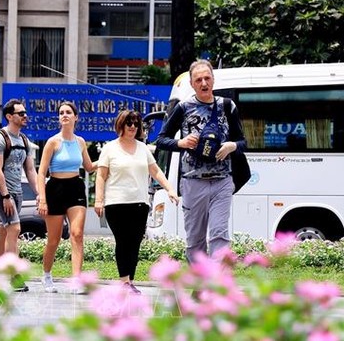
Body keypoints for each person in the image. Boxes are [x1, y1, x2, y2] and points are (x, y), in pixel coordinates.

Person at [156, 59, 247, 263]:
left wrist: (231, 146)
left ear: (213, 80)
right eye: (199, 80)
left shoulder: (227, 106)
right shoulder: (183, 107)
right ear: (192, 83)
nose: (204, 83)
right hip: (192, 181)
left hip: (222, 180)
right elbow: (161, 140)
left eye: (207, 78)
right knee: (195, 241)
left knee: (219, 234)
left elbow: (242, 142)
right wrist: (182, 143)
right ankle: (200, 284)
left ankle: (216, 286)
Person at [95, 110, 179, 294]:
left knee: (134, 242)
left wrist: (170, 189)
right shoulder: (110, 148)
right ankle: (124, 281)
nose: (132, 126)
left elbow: (155, 171)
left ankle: (130, 281)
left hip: (140, 203)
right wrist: (99, 200)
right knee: (123, 241)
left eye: (135, 123)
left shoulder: (143, 148)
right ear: (121, 125)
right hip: (116, 203)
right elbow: (100, 176)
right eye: (128, 123)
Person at [37, 101, 96, 293]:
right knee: (53, 240)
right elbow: (41, 173)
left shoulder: (80, 142)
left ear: (75, 117)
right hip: (55, 189)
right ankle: (46, 274)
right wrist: (42, 198)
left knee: (77, 234)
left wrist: (110, 157)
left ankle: (77, 280)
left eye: (68, 112)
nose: (64, 115)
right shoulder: (53, 142)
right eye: (61, 112)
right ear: (59, 118)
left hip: (75, 188)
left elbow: (89, 167)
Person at [0, 99, 38, 292]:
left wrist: (38, 194)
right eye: (21, 113)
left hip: (16, 191)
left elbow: (30, 170)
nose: (25, 116)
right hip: (1, 191)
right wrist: (6, 195)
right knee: (15, 229)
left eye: (25, 113)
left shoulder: (24, 140)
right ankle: (13, 277)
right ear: (9, 116)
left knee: (4, 231)